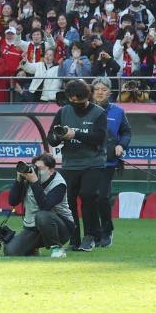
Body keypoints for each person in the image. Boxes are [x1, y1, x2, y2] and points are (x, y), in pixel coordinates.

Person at [48, 80, 109, 252]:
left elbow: (98, 138)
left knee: (88, 195)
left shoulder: (99, 113)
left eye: (79, 101)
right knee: (68, 201)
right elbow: (51, 138)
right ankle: (74, 239)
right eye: (72, 100)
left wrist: (75, 134)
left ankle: (90, 236)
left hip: (93, 163)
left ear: (86, 97)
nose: (75, 104)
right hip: (70, 163)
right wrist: (59, 136)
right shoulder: (63, 111)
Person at [4, 154, 74, 257]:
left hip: (61, 228)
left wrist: (34, 182)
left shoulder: (59, 184)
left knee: (41, 215)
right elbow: (13, 202)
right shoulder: (29, 180)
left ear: (51, 171)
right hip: (35, 227)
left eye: (40, 169)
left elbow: (45, 206)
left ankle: (57, 249)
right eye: (35, 168)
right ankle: (33, 249)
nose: (36, 172)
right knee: (11, 251)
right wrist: (19, 180)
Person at [90, 78, 131, 248]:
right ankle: (93, 234)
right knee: (89, 198)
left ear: (110, 92)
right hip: (88, 162)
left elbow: (126, 132)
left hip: (108, 163)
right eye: (96, 89)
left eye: (103, 89)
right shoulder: (84, 111)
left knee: (101, 197)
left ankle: (107, 232)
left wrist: (121, 145)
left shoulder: (118, 112)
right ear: (91, 92)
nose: (99, 92)